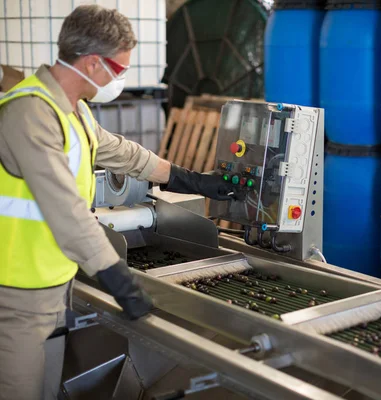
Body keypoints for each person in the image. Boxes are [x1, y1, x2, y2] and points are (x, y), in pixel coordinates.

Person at [0, 5, 241, 400]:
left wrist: (191, 179)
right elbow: (66, 210)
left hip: (53, 283)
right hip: (15, 291)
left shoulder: (73, 110)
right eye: (119, 68)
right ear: (93, 64)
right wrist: (119, 280)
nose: (121, 78)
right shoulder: (29, 113)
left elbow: (124, 154)